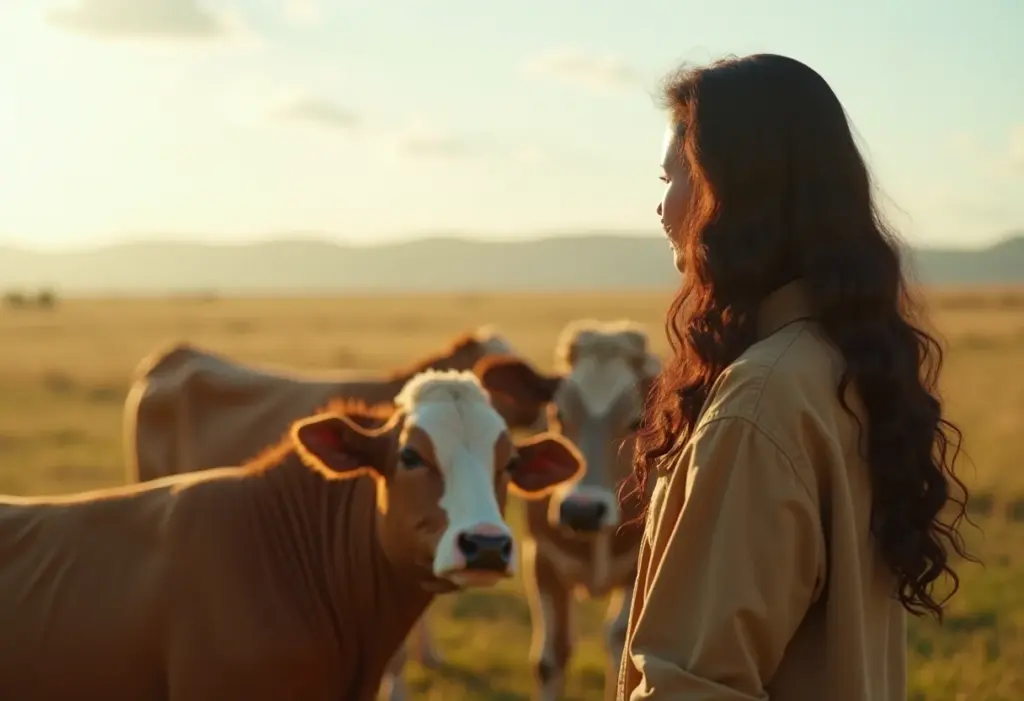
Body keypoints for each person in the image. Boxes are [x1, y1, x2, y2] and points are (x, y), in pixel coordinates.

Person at [616, 53, 975, 701]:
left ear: (727, 193)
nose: (660, 207)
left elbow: (693, 684)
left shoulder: (761, 400)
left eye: (672, 176)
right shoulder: (843, 366)